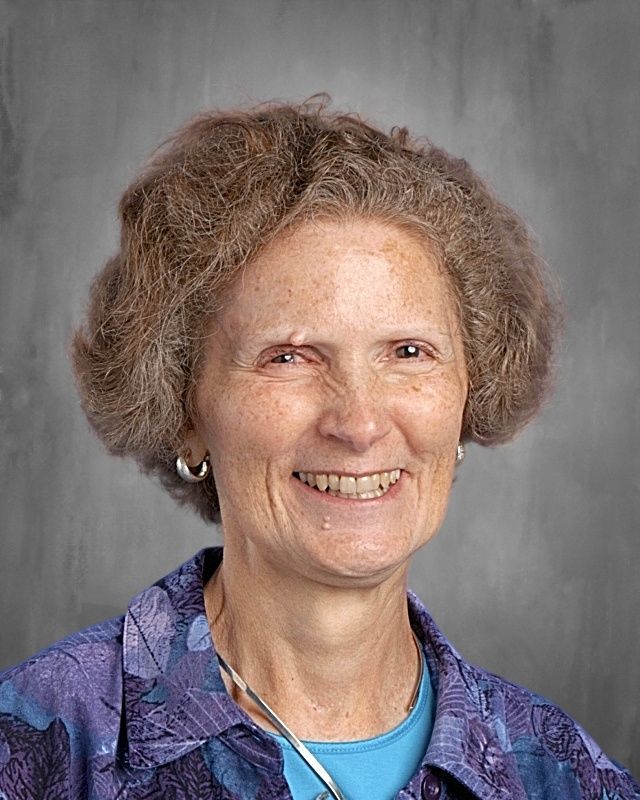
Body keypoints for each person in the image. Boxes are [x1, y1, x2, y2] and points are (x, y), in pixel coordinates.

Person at [0, 100, 637, 800]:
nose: (359, 422)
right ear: (183, 408)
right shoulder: (39, 746)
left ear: (466, 398)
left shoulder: (562, 777)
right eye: (290, 357)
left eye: (408, 351)